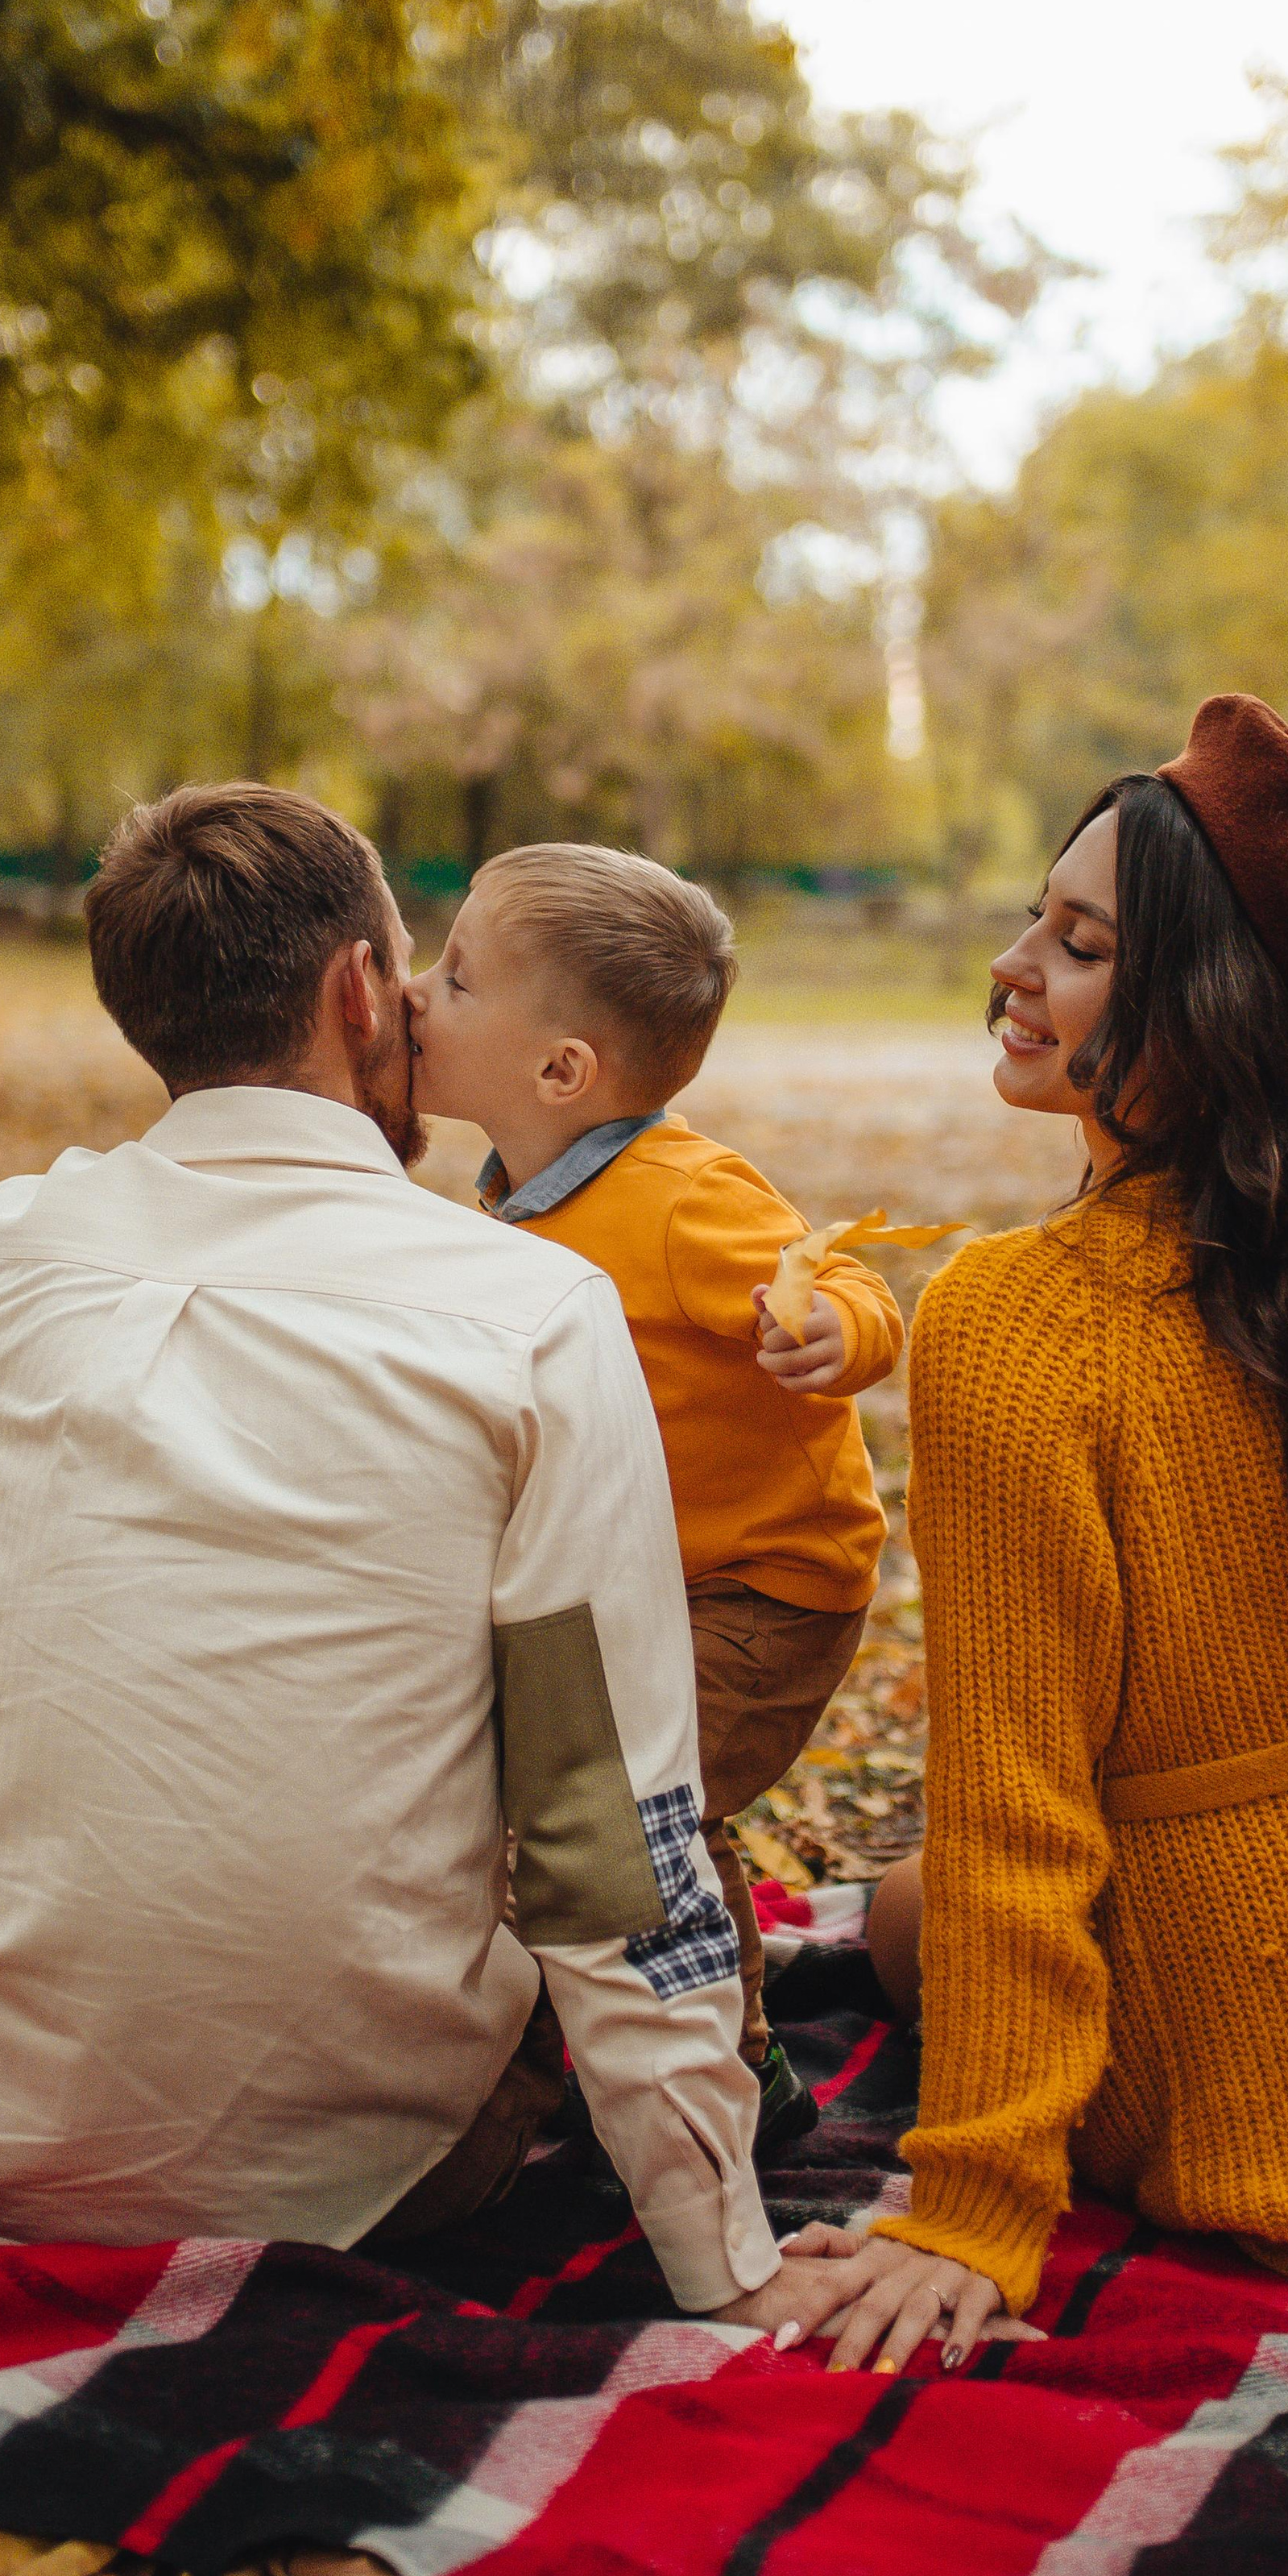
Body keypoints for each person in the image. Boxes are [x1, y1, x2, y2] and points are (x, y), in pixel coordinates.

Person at [0, 782, 851, 2345]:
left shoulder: (4, 1250)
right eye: (413, 971)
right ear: (355, 994)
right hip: (371, 2164)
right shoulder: (527, 1314)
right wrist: (723, 2260)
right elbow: (599, 1818)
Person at [799, 694, 1288, 2378]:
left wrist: (972, 2201)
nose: (1013, 964)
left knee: (898, 1913)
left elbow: (1017, 1810)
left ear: (1197, 1002)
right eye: (1035, 917)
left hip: (1269, 2067)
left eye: (1076, 941)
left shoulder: (1015, 1323)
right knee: (920, 1897)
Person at [405, 844, 904, 2155]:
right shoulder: (515, 1199)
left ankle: (735, 2091)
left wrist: (832, 1334)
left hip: (761, 1587)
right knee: (630, 1803)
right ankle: (680, 2037)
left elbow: (840, 1282)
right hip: (640, 1581)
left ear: (561, 1072)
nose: (413, 993)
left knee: (642, 1810)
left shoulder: (684, 1199)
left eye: (453, 978)